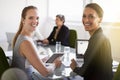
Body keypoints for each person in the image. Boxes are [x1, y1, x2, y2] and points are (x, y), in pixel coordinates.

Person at [11, 6, 61, 80]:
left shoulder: (23, 37)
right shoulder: (25, 42)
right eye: (31, 18)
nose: (35, 21)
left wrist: (43, 60)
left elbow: (27, 62)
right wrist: (55, 64)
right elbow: (45, 72)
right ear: (23, 20)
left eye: (37, 18)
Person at [70, 3, 113, 80]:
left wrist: (75, 67)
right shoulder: (102, 37)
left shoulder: (96, 40)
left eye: (91, 16)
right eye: (84, 16)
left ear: (100, 19)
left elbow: (84, 72)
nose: (86, 20)